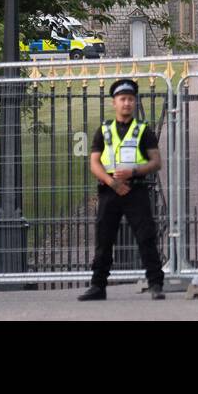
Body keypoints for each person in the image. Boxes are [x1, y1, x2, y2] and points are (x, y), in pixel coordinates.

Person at [78, 78, 166, 300]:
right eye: (122, 99)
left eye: (130, 99)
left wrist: (134, 172)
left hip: (136, 190)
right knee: (104, 239)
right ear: (114, 103)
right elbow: (95, 163)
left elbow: (156, 162)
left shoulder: (143, 130)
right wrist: (113, 183)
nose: (126, 103)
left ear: (135, 103)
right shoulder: (104, 130)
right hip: (110, 191)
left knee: (146, 237)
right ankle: (98, 286)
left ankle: (155, 284)